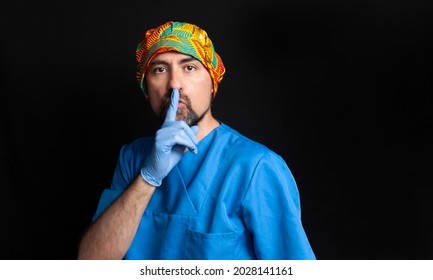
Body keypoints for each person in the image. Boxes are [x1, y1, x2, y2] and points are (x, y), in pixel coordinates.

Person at [78, 21, 316, 260]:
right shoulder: (133, 157)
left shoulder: (255, 166)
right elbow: (90, 263)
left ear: (213, 81)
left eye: (189, 67)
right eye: (159, 69)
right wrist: (148, 178)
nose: (174, 84)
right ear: (146, 88)